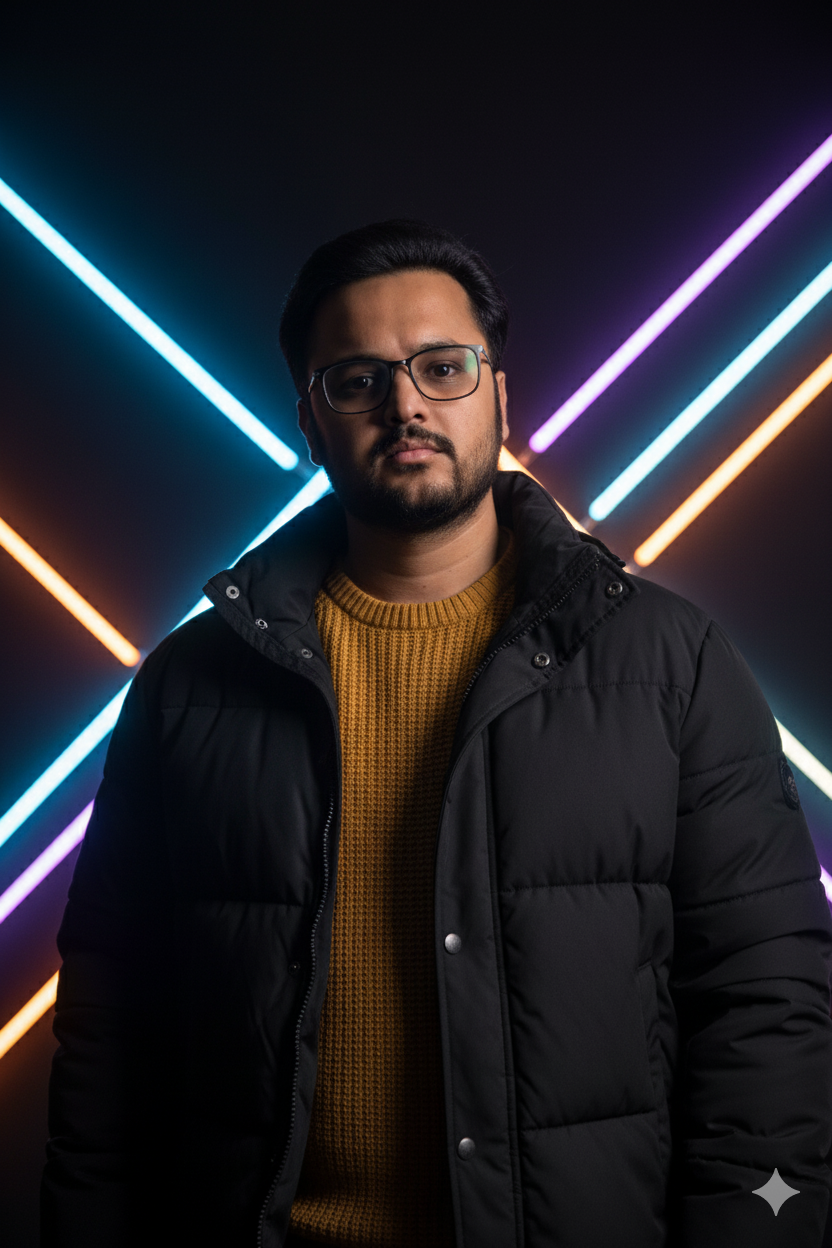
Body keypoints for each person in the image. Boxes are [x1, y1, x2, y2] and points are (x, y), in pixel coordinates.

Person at [42, 219, 832, 1248]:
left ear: (499, 393)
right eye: (357, 380)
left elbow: (765, 1000)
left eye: (442, 367)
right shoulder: (190, 687)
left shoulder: (671, 664)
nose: (405, 404)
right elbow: (113, 1012)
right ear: (311, 421)